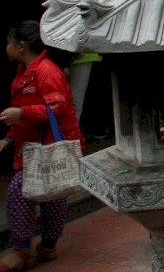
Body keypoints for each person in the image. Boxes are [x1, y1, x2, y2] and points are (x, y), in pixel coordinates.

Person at [0, 20, 84, 272]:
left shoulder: (46, 71)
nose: (6, 48)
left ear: (21, 46)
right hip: (36, 146)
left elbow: (56, 108)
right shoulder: (25, 72)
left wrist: (22, 112)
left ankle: (23, 249)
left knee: (22, 191)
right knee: (52, 195)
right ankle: (46, 247)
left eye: (8, 43)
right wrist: (8, 139)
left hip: (49, 147)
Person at [50, 0, 106, 129]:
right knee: (58, 96)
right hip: (62, 47)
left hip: (85, 48)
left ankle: (72, 137)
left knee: (76, 98)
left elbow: (103, 12)